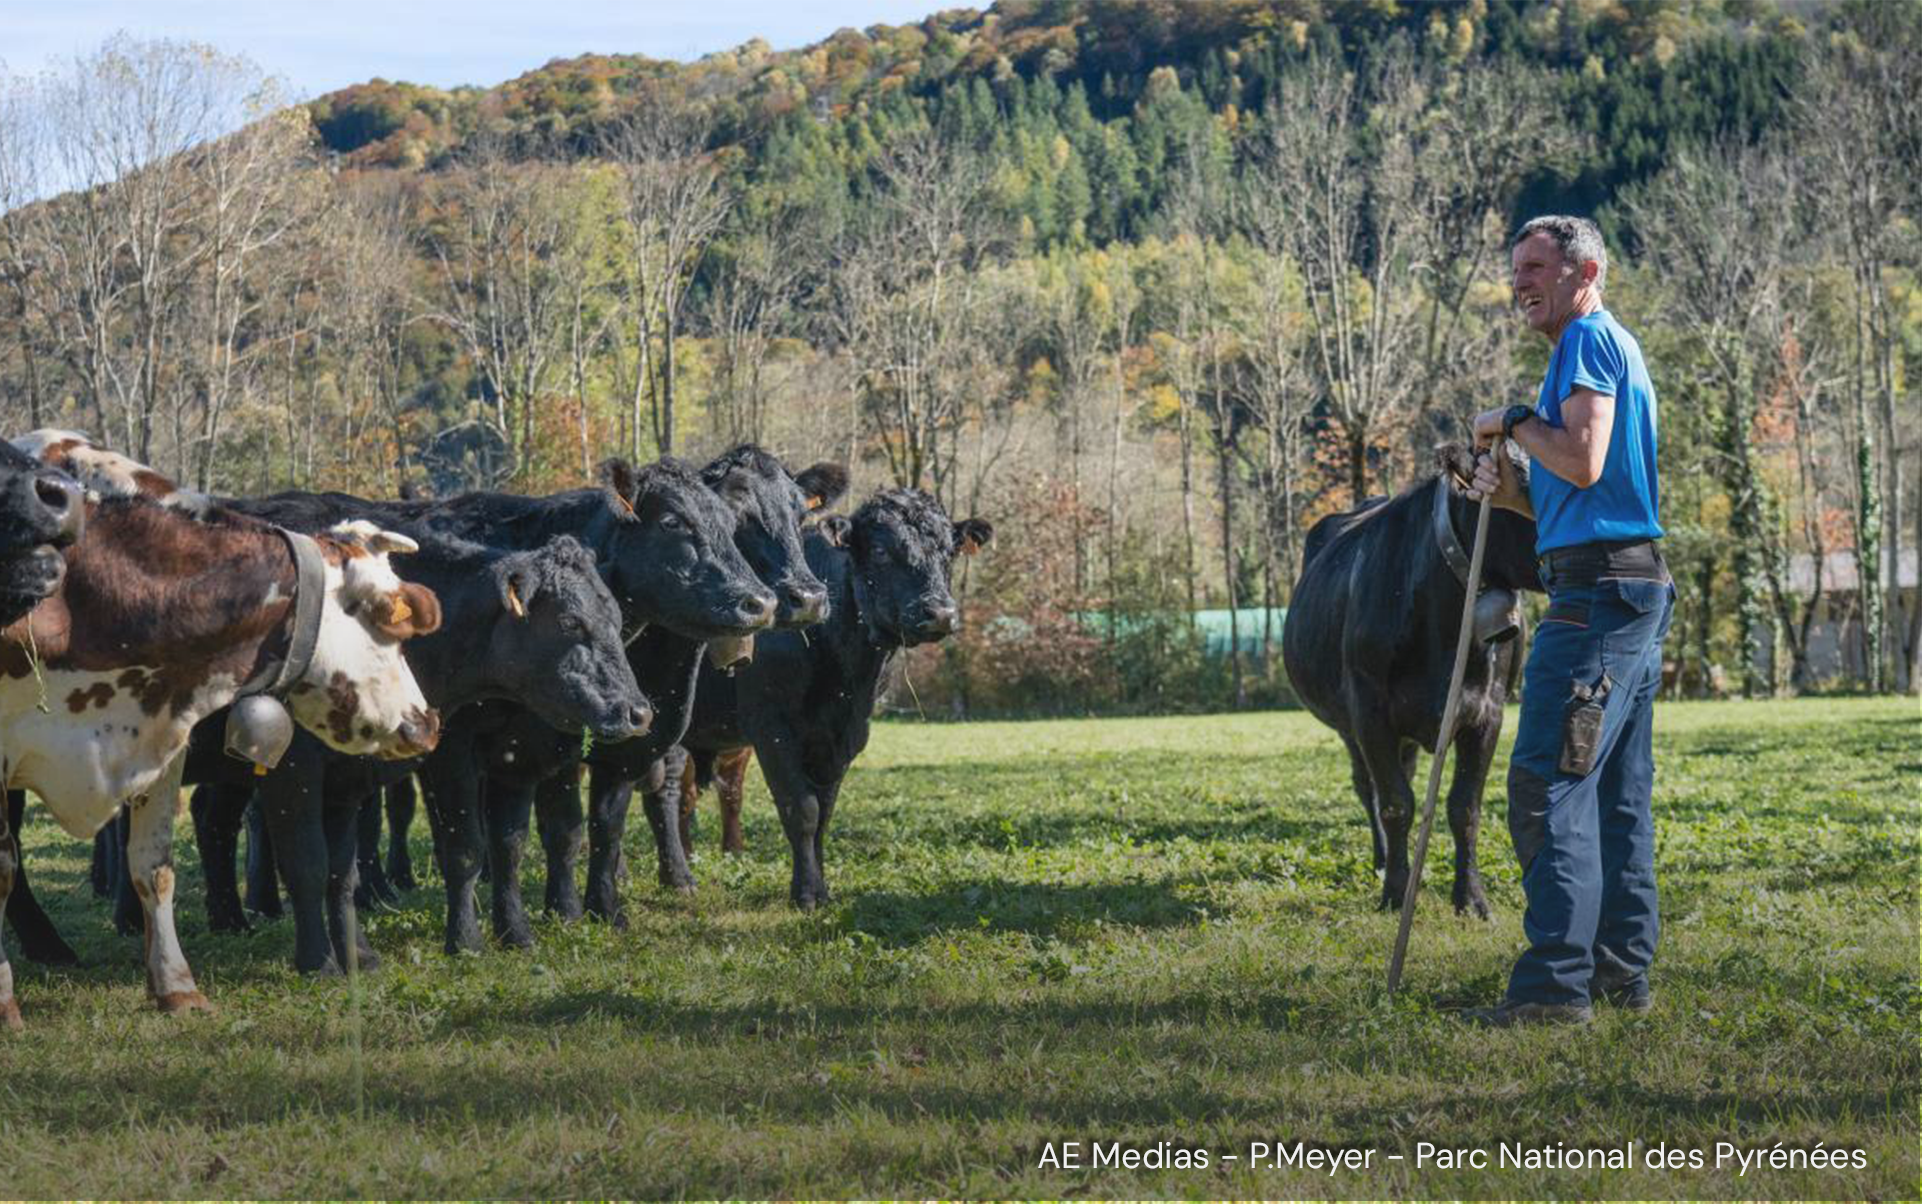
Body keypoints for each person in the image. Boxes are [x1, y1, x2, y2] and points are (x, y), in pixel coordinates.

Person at [1459, 215, 1675, 1027]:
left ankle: (1554, 988)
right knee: (1615, 794)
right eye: (1516, 269)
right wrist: (1503, 482)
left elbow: (1579, 457)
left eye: (1537, 268)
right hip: (1628, 589)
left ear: (1584, 273)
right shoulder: (1598, 351)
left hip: (1594, 604)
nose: (1521, 283)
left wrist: (1514, 421)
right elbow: (1573, 484)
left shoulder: (1587, 340)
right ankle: (1620, 974)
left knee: (1548, 783)